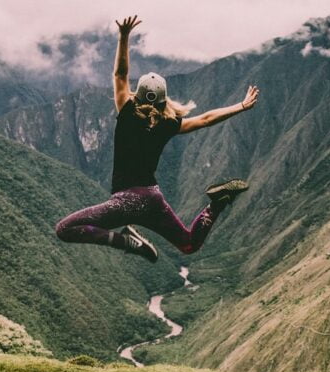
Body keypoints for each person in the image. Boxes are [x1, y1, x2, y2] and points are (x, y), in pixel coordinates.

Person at [55, 15, 259, 262]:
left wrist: (123, 36)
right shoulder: (168, 124)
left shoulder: (127, 111)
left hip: (126, 201)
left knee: (65, 229)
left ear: (136, 95)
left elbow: (120, 74)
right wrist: (241, 106)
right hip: (153, 198)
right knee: (188, 244)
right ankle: (216, 204)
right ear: (164, 100)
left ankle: (127, 242)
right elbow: (205, 119)